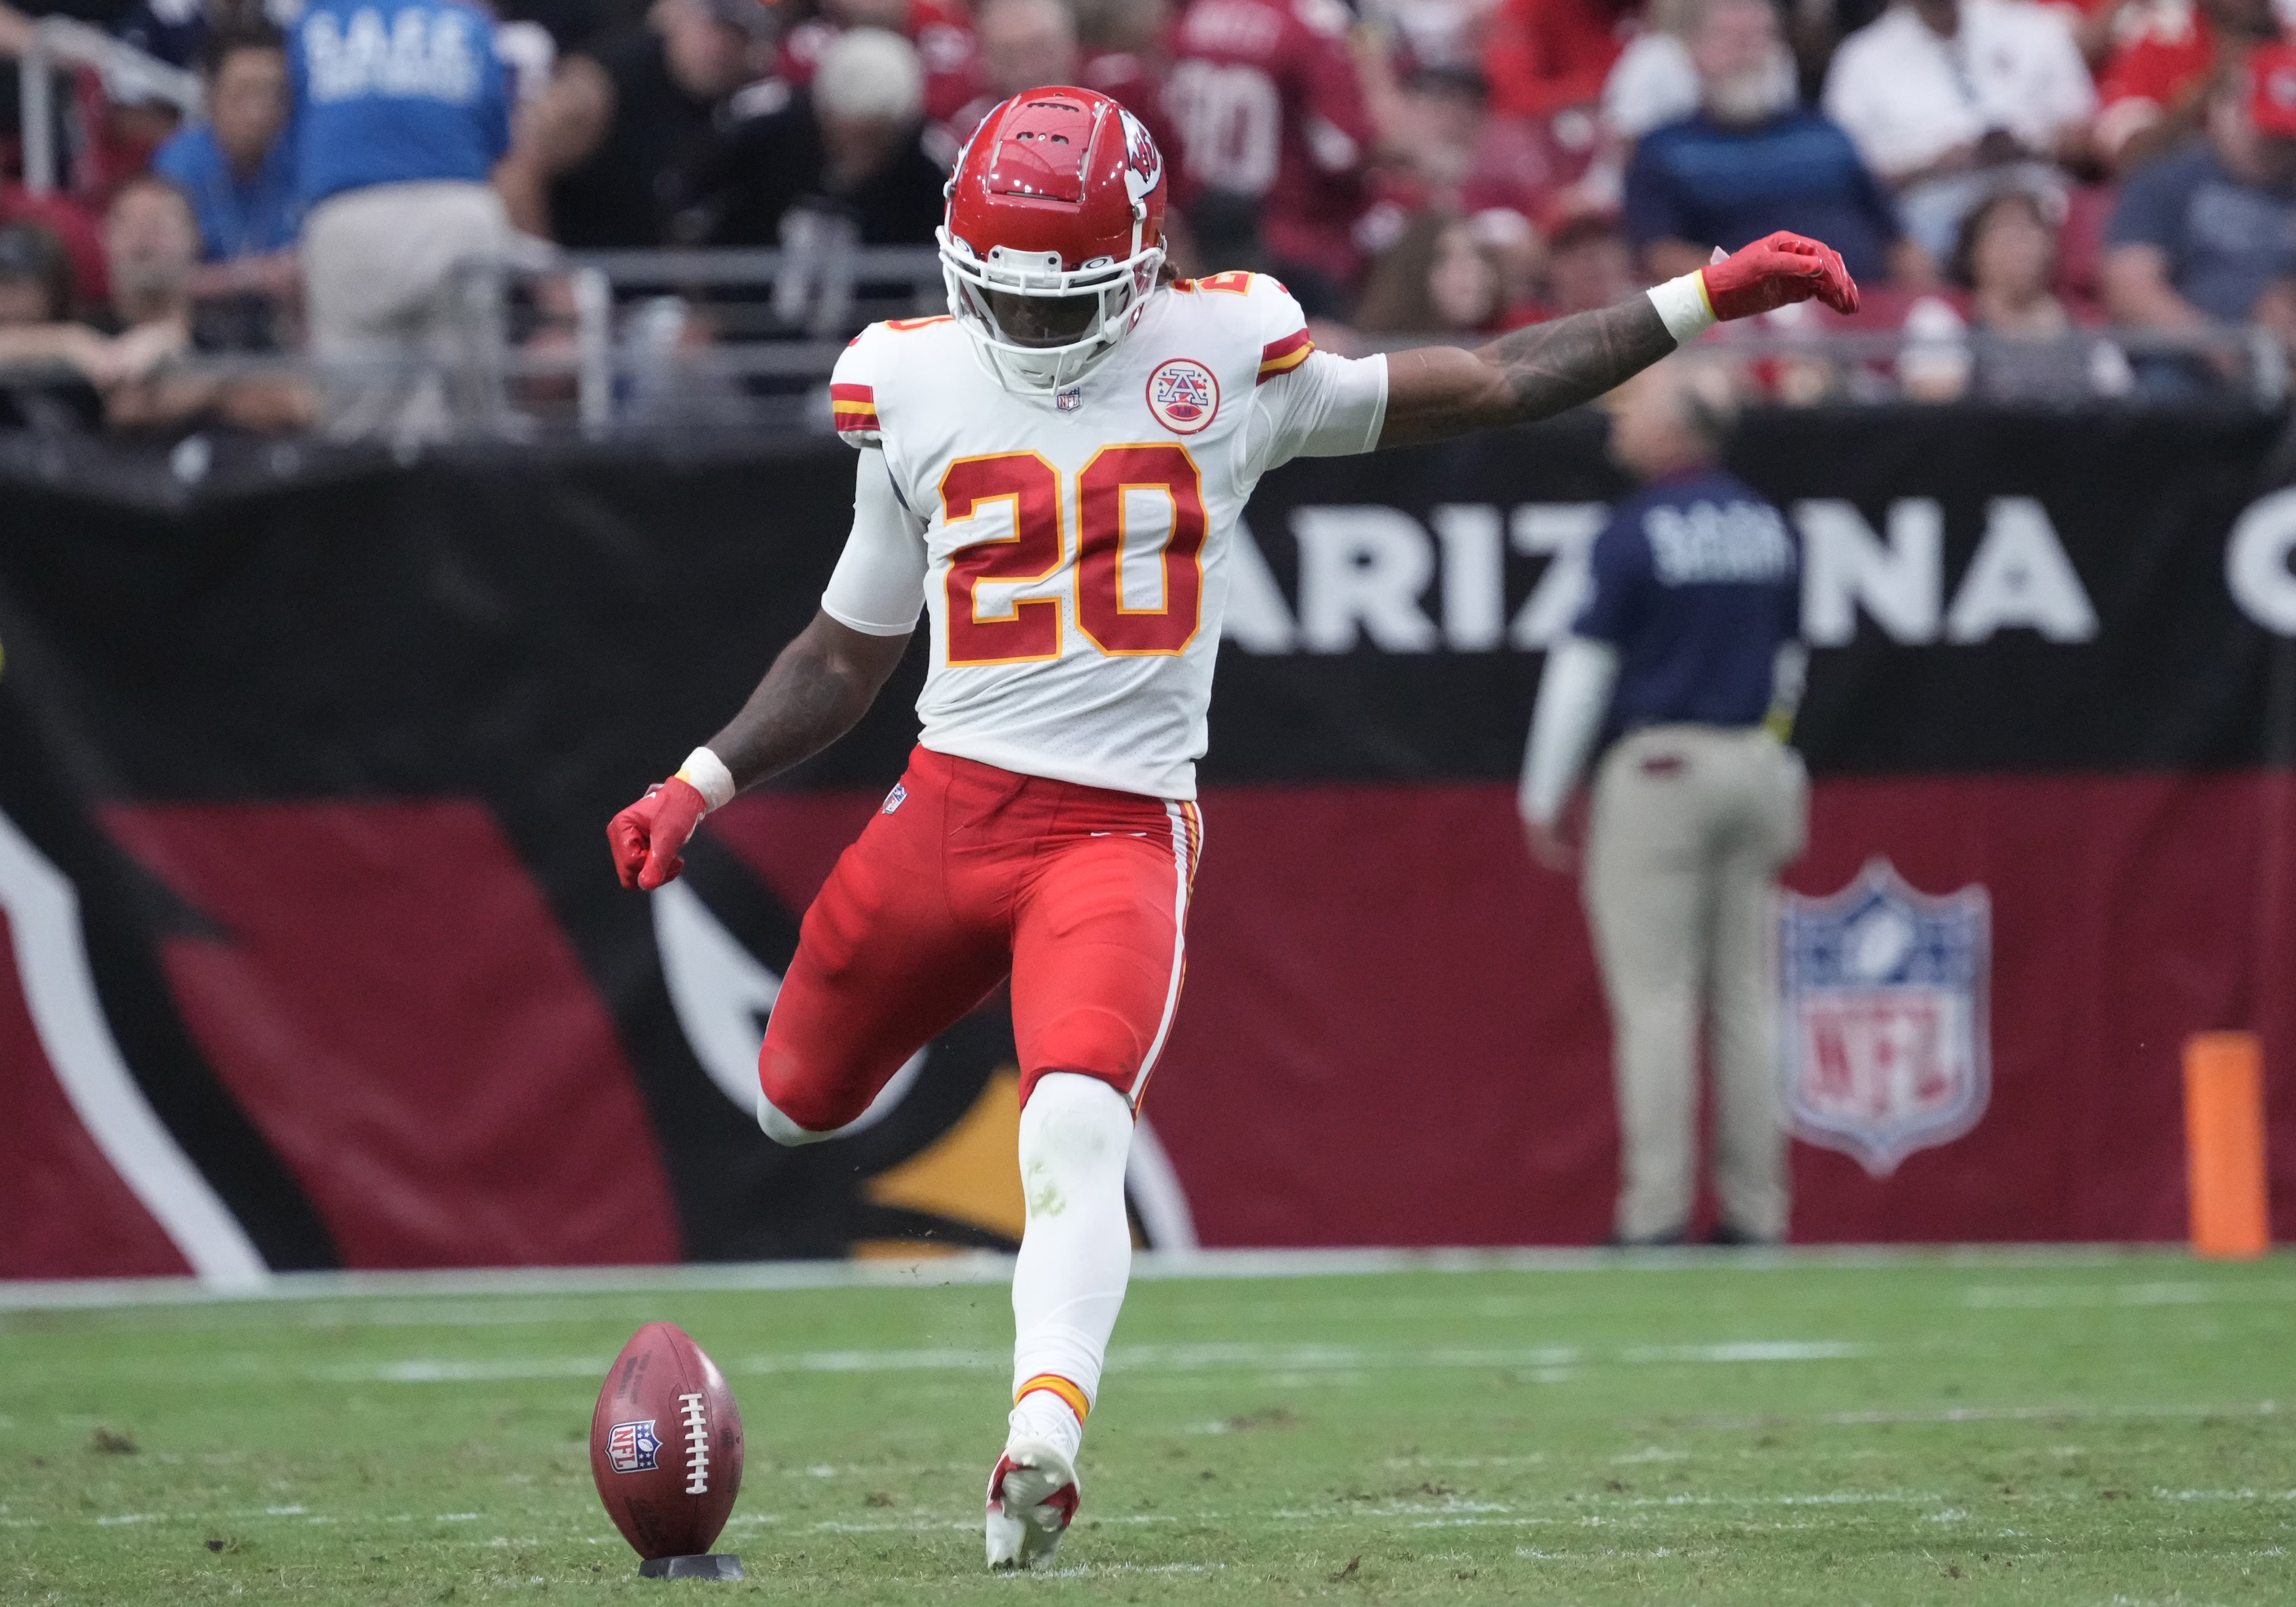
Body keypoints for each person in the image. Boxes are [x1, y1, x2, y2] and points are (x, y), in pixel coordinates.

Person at [603, 85, 1856, 1569]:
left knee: (1072, 1117)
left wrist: (1698, 295)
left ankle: (1042, 1433)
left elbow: (1503, 377)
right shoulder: (911, 379)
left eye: (1058, 301)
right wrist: (702, 775)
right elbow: (842, 650)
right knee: (790, 1098)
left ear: (1142, 269)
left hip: (1114, 833)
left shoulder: (1228, 355)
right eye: (1003, 293)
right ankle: (1032, 1396)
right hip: (943, 807)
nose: (1028, 329)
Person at [1519, 356, 1806, 1248]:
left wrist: (1542, 792)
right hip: (1755, 760)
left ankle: (1656, 1214)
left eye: (1634, 408)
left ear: (1679, 428)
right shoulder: (1767, 525)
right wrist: (1771, 747)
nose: (1617, 423)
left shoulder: (1634, 531)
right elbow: (1792, 666)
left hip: (1660, 769)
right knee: (1744, 998)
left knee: (1657, 1000)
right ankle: (1756, 1212)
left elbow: (1583, 669)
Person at [291, 0, 514, 439]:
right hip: (457, 211)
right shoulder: (467, 24)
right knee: (469, 409)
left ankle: (359, 504)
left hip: (351, 217)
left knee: (357, 412)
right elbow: (498, 140)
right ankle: (480, 501)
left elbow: (297, 128)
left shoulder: (316, 22)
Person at [1626, 0, 1917, 285]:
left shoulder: (1827, 134)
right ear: (1694, 52)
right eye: (1730, 38)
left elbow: (1894, 239)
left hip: (1867, 309)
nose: (1747, 53)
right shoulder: (1666, 151)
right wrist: (1757, 289)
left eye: (1760, 37)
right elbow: (1659, 254)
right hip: (1748, 319)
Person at [1821, 0, 2096, 260]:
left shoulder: (2031, 28)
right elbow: (1849, 180)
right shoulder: (1861, 59)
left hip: (2040, 198)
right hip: (1934, 220)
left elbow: (2087, 135)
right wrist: (1930, 164)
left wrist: (2032, 143)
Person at [495, 0, 775, 249]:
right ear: (680, 16)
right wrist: (549, 280)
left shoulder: (728, 109)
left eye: (740, 34)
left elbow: (669, 220)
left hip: (640, 285)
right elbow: (517, 171)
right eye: (715, 26)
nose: (722, 47)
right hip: (577, 274)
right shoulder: (601, 87)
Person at [1165, 0, 1381, 312]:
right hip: (1283, 235)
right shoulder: (1311, 19)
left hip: (1189, 224)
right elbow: (1343, 148)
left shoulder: (1193, 15)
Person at [2103, 44, 2296, 385]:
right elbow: (2130, 287)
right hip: (2187, 363)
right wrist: (2219, 344)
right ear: (2224, 109)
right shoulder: (2167, 182)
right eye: (2265, 133)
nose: (2277, 149)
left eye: (2286, 138)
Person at [1897, 185, 2133, 400]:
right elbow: (1938, 412)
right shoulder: (1942, 319)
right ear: (1973, 251)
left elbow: (2118, 411)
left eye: (2031, 230)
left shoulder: (2088, 327)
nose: (2020, 244)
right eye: (2005, 230)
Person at [151, 23, 300, 305]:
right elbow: (160, 280)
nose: (258, 111)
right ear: (211, 95)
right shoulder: (177, 166)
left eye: (273, 94)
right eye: (243, 93)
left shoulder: (301, 160)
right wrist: (251, 278)